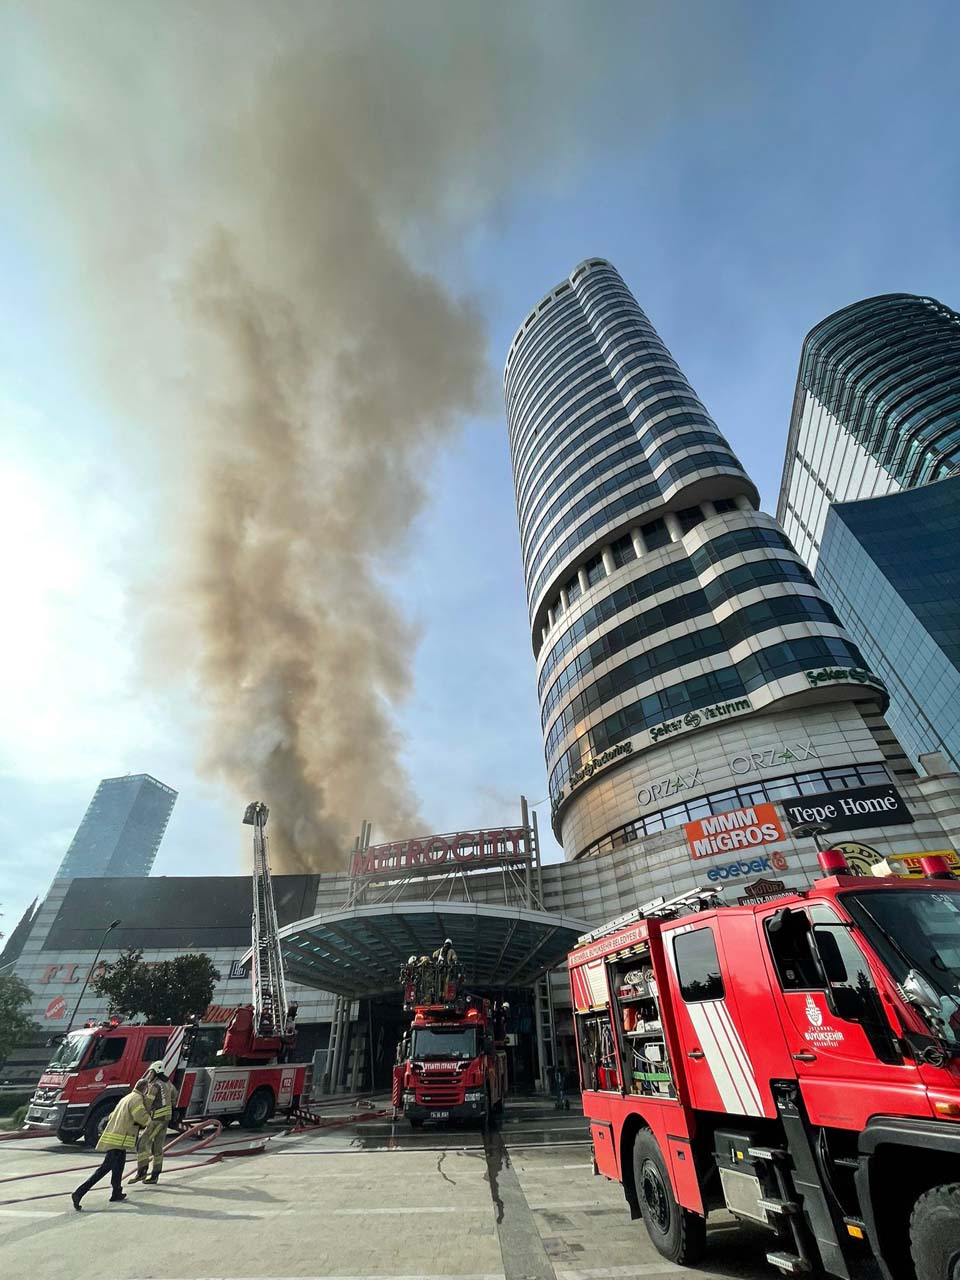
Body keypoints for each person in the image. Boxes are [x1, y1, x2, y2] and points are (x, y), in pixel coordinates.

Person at [72, 1082, 151, 1210]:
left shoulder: (127, 1097)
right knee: (104, 1168)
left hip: (116, 1137)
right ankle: (79, 1193)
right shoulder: (137, 1099)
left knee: (119, 1166)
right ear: (145, 1089)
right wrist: (151, 1122)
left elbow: (111, 1115)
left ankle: (116, 1192)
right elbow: (140, 1117)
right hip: (119, 1139)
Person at [132, 1063, 175, 1184]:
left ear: (155, 1072)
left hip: (157, 1120)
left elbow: (147, 1103)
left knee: (141, 1143)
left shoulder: (155, 1085)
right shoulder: (168, 1084)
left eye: (150, 1072)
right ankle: (155, 1175)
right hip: (166, 1119)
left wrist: (141, 1117)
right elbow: (174, 1097)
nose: (149, 1075)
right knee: (157, 1148)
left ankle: (142, 1172)